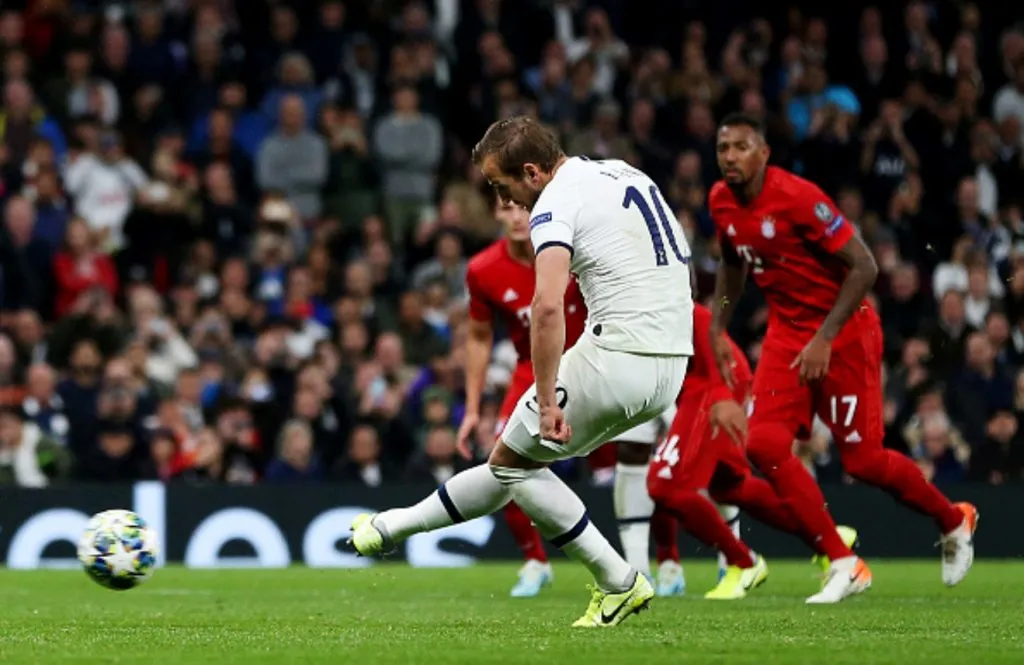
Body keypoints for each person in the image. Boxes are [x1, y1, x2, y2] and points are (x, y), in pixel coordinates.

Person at [350, 115, 693, 627]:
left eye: (501, 184)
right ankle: (391, 526)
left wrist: (550, 399)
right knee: (512, 460)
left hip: (619, 355)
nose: (505, 199)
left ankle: (619, 582)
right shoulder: (623, 173)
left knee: (513, 463)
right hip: (672, 362)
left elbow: (548, 306)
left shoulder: (554, 202)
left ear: (532, 172)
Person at [708, 112, 977, 604]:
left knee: (864, 461)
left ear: (764, 152)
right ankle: (843, 560)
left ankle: (953, 519)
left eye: (741, 147)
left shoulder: (799, 198)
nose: (730, 157)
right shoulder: (720, 201)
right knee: (763, 446)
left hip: (845, 333)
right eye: (723, 148)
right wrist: (718, 325)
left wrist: (825, 339)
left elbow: (866, 266)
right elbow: (731, 264)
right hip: (787, 336)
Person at [647, 302, 858, 600]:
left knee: (667, 483)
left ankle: (742, 561)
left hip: (713, 381)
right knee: (730, 485)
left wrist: (721, 393)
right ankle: (826, 538)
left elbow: (696, 317)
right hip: (708, 379)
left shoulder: (662, 293)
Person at [457, 192, 588, 597]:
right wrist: (473, 408)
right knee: (502, 462)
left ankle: (664, 562)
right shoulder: (482, 269)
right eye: (508, 207)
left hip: (588, 364)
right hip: (529, 374)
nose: (517, 216)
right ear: (496, 212)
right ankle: (535, 561)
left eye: (524, 207)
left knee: (636, 462)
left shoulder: (571, 251)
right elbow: (478, 339)